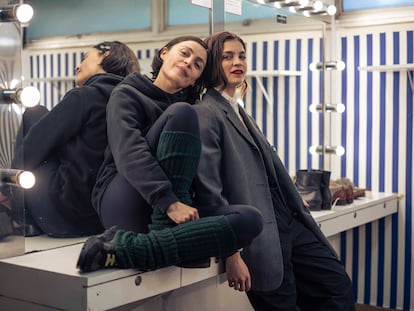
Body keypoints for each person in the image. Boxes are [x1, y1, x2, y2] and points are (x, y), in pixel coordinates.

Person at [193, 31, 355, 310]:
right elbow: (209, 188)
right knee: (281, 303)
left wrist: (290, 195)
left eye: (242, 56)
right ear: (212, 64)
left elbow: (264, 166)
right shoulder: (206, 111)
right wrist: (231, 252)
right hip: (256, 229)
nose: (237, 62)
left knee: (336, 286)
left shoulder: (239, 109)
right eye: (227, 57)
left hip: (288, 215)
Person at [76, 35, 263, 273]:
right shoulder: (128, 93)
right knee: (181, 113)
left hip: (170, 209)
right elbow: (129, 153)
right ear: (164, 53)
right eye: (184, 54)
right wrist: (170, 203)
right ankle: (169, 236)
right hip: (123, 199)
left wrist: (232, 251)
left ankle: (129, 251)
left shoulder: (195, 109)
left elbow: (201, 178)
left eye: (197, 64)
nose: (188, 63)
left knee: (249, 219)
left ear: (197, 77)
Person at [11, 41, 141, 237]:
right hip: (97, 221)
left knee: (35, 113)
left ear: (105, 56)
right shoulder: (133, 103)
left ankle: (16, 210)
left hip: (59, 212)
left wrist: (8, 186)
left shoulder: (86, 95)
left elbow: (35, 145)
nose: (77, 66)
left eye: (84, 58)